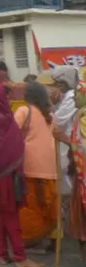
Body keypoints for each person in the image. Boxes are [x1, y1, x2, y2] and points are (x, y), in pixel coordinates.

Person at [0, 84, 37, 267]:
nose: (11, 101)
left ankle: (3, 254)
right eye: (8, 98)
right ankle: (20, 257)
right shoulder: (2, 119)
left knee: (0, 215)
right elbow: (5, 146)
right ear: (0, 99)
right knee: (10, 215)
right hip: (6, 173)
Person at [14, 82, 60, 248]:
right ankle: (55, 238)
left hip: (30, 166)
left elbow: (10, 133)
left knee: (31, 207)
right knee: (51, 205)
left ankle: (29, 239)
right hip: (50, 167)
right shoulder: (50, 114)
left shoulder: (24, 111)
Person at [46, 66, 78, 242]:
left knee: (69, 192)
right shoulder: (66, 99)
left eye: (56, 84)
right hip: (67, 151)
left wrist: (49, 106)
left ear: (63, 84)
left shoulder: (72, 99)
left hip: (72, 151)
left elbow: (56, 122)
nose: (53, 88)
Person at [67, 80, 86, 262]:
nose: (74, 96)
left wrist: (63, 138)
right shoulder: (79, 116)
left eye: (77, 92)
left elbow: (81, 148)